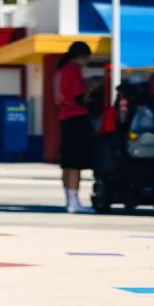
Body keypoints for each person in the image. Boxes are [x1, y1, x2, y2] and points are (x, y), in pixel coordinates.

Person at [54, 40, 97, 212]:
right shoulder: (73, 71)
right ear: (80, 57)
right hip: (76, 117)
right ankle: (74, 201)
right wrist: (91, 92)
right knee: (76, 162)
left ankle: (69, 198)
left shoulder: (60, 71)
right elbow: (79, 97)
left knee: (67, 162)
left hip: (64, 116)